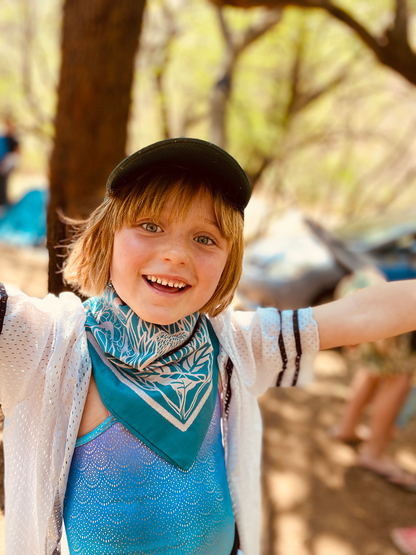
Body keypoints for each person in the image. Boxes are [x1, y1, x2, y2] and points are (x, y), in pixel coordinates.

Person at [2, 138, 416, 555]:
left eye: (205, 239)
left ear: (228, 261)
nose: (176, 254)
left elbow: (360, 314)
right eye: (150, 226)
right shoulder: (49, 343)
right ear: (107, 235)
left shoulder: (235, 345)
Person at [331, 269, 416, 491]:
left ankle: (347, 428)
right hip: (399, 304)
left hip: (371, 288)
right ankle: (374, 452)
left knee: (374, 369)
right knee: (398, 376)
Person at [0, 117, 19, 208]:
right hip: (3, 162)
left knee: (3, 181)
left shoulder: (14, 139)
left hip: (7, 163)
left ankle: (3, 203)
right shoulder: (3, 138)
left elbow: (17, 152)